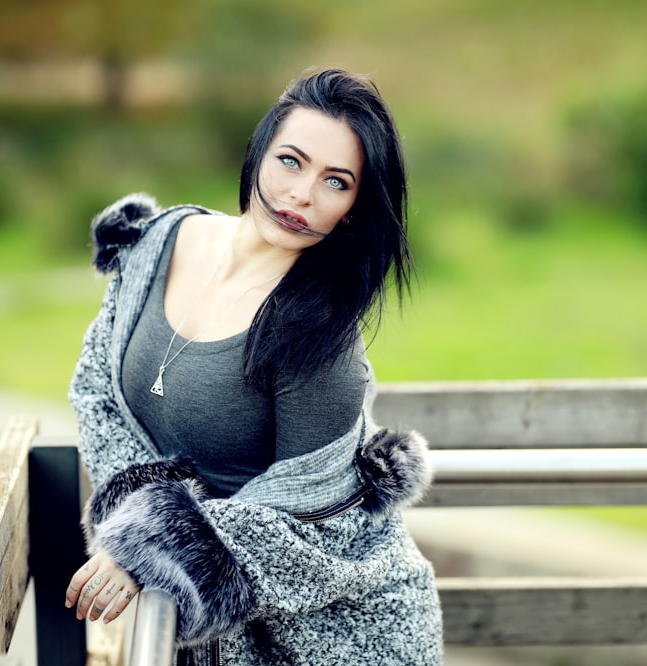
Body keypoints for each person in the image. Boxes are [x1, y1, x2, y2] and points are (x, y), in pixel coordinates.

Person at [65, 67, 442, 665]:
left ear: (351, 210)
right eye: (291, 161)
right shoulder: (155, 244)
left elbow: (316, 524)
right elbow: (97, 391)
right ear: (259, 152)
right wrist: (138, 516)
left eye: (336, 182)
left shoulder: (322, 342)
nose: (302, 195)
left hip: (327, 639)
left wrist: (156, 544)